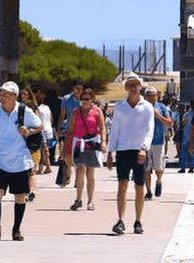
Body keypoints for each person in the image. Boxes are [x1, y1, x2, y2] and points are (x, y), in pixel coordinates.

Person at [0, 81, 43, 242]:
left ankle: (16, 229)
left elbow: (40, 126)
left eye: (6, 94)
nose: (2, 96)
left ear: (14, 96)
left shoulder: (24, 111)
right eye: (1, 93)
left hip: (19, 161)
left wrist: (28, 131)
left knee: (20, 197)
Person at [106, 73, 154, 235]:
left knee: (139, 186)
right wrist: (110, 151)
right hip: (123, 150)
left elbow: (149, 129)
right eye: (130, 85)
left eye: (136, 85)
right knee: (122, 184)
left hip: (139, 150)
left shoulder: (147, 107)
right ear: (126, 88)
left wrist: (144, 148)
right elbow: (115, 130)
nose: (134, 88)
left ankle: (138, 221)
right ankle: (120, 220)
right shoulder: (120, 107)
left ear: (140, 87)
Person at [66, 88, 106, 211]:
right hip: (78, 144)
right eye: (82, 99)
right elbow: (71, 131)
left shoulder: (97, 111)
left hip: (92, 144)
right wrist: (66, 148)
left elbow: (102, 128)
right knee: (79, 171)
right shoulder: (75, 112)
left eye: (87, 99)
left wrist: (103, 142)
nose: (84, 101)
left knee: (90, 173)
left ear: (92, 100)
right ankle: (78, 199)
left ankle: (90, 200)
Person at [143, 86, 172, 200]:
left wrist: (158, 116)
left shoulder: (161, 107)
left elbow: (170, 123)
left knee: (158, 168)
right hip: (145, 142)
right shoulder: (141, 107)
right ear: (145, 96)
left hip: (158, 141)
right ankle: (149, 191)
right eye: (149, 95)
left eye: (154, 95)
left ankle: (159, 181)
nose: (152, 97)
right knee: (146, 168)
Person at [57, 79, 84, 186]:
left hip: (82, 131)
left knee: (79, 155)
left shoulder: (84, 99)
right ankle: (68, 172)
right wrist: (59, 129)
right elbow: (62, 114)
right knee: (68, 155)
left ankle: (78, 179)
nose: (79, 91)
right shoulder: (66, 99)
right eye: (77, 88)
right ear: (73, 88)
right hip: (69, 130)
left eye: (81, 88)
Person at [19, 87, 44, 202]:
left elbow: (40, 125)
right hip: (29, 141)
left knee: (29, 170)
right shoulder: (20, 107)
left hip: (31, 141)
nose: (23, 96)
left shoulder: (30, 107)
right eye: (22, 94)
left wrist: (29, 132)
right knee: (30, 170)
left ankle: (29, 191)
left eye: (25, 94)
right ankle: (30, 191)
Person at [33, 87, 56, 171]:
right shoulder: (47, 107)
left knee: (43, 149)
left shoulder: (38, 108)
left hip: (43, 130)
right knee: (45, 149)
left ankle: (43, 167)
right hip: (48, 130)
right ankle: (46, 166)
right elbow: (51, 119)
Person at [179, 101, 194, 173]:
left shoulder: (187, 114)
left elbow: (183, 122)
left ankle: (183, 167)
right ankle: (192, 167)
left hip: (187, 134)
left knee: (184, 151)